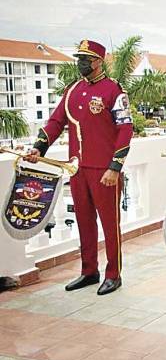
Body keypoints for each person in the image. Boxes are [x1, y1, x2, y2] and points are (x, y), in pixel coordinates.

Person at [26, 40, 133, 295]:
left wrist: (115, 167)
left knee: (109, 224)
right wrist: (38, 148)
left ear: (98, 61)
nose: (81, 63)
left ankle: (113, 274)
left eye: (86, 59)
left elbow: (125, 130)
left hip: (104, 170)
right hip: (77, 169)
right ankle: (89, 271)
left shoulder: (113, 91)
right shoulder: (72, 90)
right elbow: (55, 122)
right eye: (79, 58)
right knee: (84, 221)